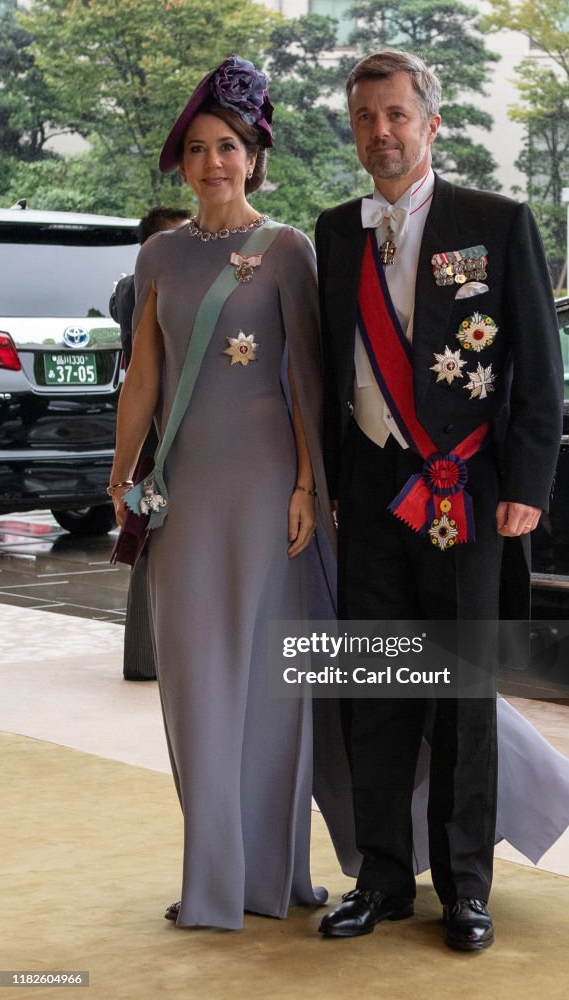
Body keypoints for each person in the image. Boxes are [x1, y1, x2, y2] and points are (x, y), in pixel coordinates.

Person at [315, 50, 564, 951]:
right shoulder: (336, 229)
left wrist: (528, 487)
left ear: (431, 123)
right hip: (373, 488)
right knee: (376, 692)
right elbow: (329, 371)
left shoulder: (493, 221)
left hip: (468, 489)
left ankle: (464, 887)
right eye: (364, 118)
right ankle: (380, 878)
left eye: (395, 116)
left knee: (462, 695)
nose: (379, 133)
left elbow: (537, 363)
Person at [108, 55, 336, 929]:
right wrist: (121, 473)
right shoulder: (160, 251)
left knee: (273, 685)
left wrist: (310, 485)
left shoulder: (286, 250)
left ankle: (270, 876)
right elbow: (143, 380)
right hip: (185, 496)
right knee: (195, 686)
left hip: (271, 491)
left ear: (254, 155)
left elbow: (305, 382)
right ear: (182, 161)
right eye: (199, 149)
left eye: (229, 147)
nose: (213, 164)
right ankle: (211, 880)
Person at [110, 206, 190, 682]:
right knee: (146, 533)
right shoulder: (136, 286)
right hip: (158, 430)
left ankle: (150, 654)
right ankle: (144, 655)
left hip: (190, 429)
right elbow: (143, 371)